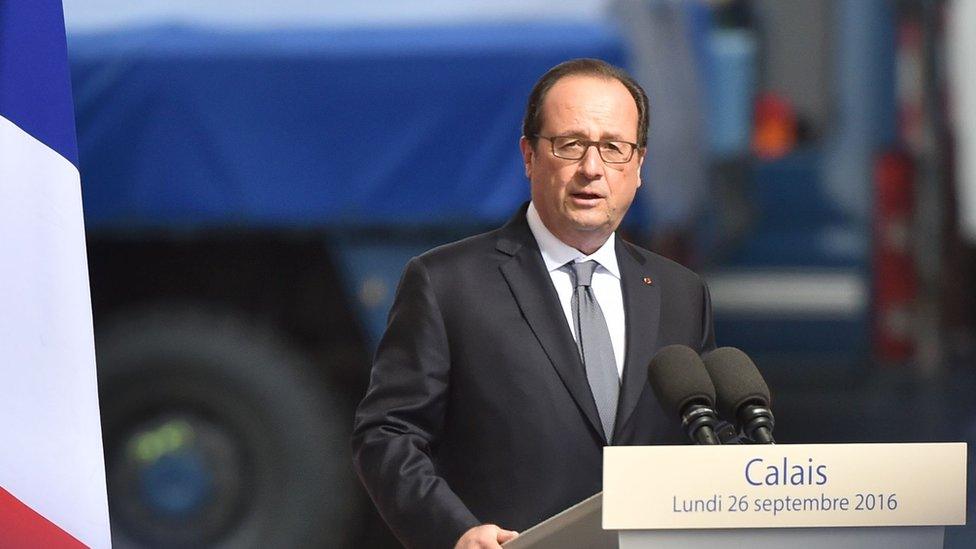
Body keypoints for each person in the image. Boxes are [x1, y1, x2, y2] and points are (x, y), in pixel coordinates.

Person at [352, 58, 715, 549]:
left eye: (613, 148)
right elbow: (388, 434)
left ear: (639, 166)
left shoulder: (681, 293)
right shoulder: (446, 283)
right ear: (529, 156)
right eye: (571, 144)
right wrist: (456, 532)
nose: (592, 168)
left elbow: (700, 441)